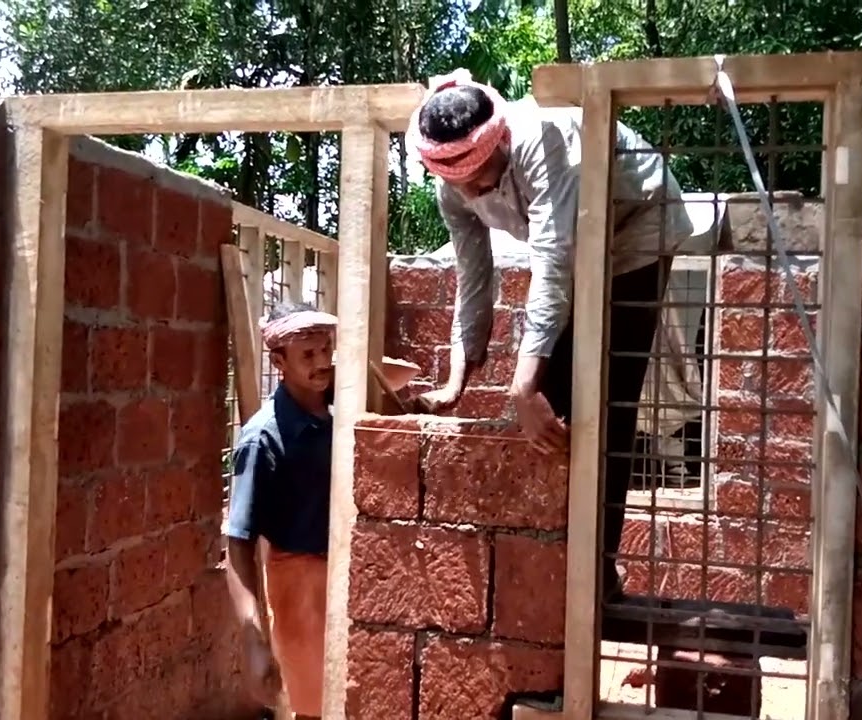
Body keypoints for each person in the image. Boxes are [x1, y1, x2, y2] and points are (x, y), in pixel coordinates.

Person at [404, 69, 694, 602]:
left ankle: (597, 578)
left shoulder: (540, 140)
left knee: (607, 397)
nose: (471, 190)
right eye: (457, 182)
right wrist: (455, 379)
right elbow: (474, 278)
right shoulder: (454, 190)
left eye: (479, 175)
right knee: (555, 406)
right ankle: (556, 567)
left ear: (501, 141)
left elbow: (554, 262)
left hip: (636, 224)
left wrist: (521, 386)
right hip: (581, 239)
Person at [225, 301, 337, 720]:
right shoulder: (263, 440)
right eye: (308, 355)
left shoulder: (337, 417)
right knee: (311, 706)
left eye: (326, 349)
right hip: (299, 589)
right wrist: (252, 637)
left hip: (340, 580)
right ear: (279, 361)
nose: (323, 362)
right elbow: (238, 542)